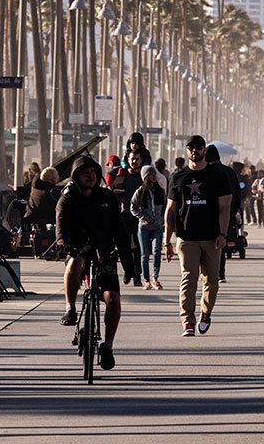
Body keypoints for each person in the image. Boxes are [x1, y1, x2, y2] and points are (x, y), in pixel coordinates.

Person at [56, 155, 133, 370]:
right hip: (78, 250)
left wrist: (129, 266)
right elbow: (60, 223)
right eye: (84, 172)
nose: (89, 176)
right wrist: (62, 242)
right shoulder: (68, 198)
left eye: (93, 172)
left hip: (103, 253)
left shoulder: (107, 197)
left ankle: (107, 346)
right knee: (75, 264)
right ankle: (70, 308)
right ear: (76, 176)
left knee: (113, 300)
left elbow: (120, 232)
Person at [164, 135, 233, 337]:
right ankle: (187, 321)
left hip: (212, 237)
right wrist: (167, 240)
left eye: (199, 147)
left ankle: (205, 312)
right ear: (186, 151)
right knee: (188, 278)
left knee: (211, 281)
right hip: (187, 237)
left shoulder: (217, 175)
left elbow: (225, 207)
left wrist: (222, 233)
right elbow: (170, 211)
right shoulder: (177, 178)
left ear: (204, 150)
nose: (195, 150)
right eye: (191, 147)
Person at [205, 144, 242, 284]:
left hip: (208, 215)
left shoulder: (207, 172)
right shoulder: (230, 172)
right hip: (227, 215)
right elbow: (237, 195)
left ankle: (208, 273)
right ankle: (220, 274)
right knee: (221, 244)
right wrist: (232, 213)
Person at [130, 165, 165, 290]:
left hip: (158, 227)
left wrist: (162, 220)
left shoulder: (160, 191)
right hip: (144, 227)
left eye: (154, 174)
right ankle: (146, 280)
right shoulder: (140, 192)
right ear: (145, 176)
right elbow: (133, 208)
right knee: (144, 255)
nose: (154, 176)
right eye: (151, 174)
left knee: (157, 252)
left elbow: (165, 207)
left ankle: (155, 278)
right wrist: (144, 217)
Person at [119, 151, 145, 287]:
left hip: (140, 217)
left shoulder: (143, 175)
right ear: (128, 160)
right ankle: (127, 271)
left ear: (141, 160)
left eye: (137, 159)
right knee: (125, 246)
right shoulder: (122, 175)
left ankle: (137, 275)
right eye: (132, 159)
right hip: (126, 215)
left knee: (138, 247)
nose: (134, 161)